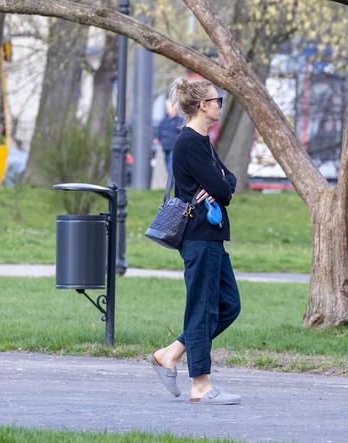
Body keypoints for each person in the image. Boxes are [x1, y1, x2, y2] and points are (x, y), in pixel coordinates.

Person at [147, 78, 241, 405]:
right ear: (203, 105)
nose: (220, 104)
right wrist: (220, 186)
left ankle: (171, 353)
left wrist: (220, 185)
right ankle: (200, 384)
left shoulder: (203, 141)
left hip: (212, 238)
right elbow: (225, 191)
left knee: (228, 305)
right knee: (201, 309)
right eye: (217, 100)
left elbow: (228, 181)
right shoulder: (188, 142)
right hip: (199, 237)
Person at [155, 100, 183, 179]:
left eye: (172, 107)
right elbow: (160, 131)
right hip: (165, 147)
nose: (171, 109)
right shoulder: (164, 121)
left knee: (171, 167)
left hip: (174, 148)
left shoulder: (180, 121)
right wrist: (157, 138)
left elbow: (181, 133)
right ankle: (171, 185)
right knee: (167, 165)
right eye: (169, 107)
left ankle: (172, 185)